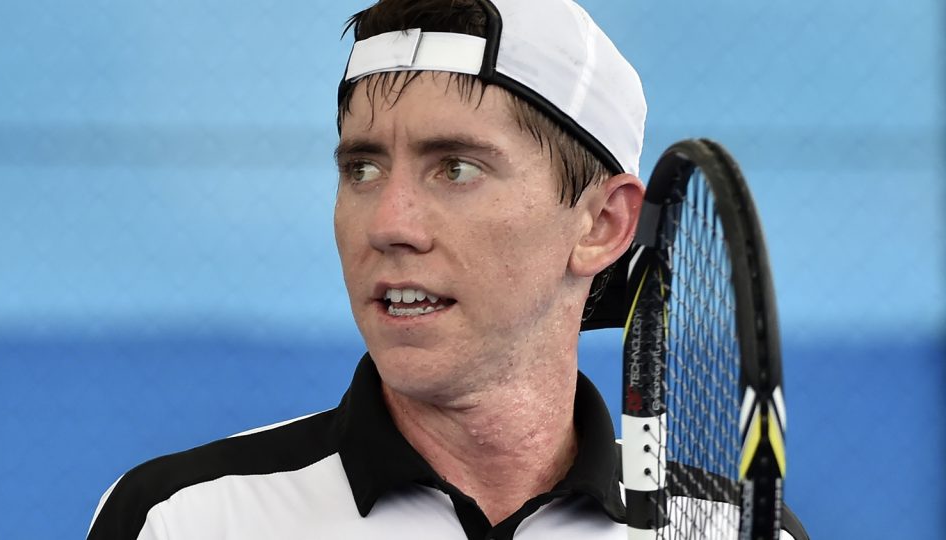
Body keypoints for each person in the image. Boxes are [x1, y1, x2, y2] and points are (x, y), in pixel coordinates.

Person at [87, 1, 807, 539]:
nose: (389, 224)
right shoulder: (181, 519)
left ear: (602, 225)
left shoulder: (741, 531)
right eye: (361, 168)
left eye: (455, 168)